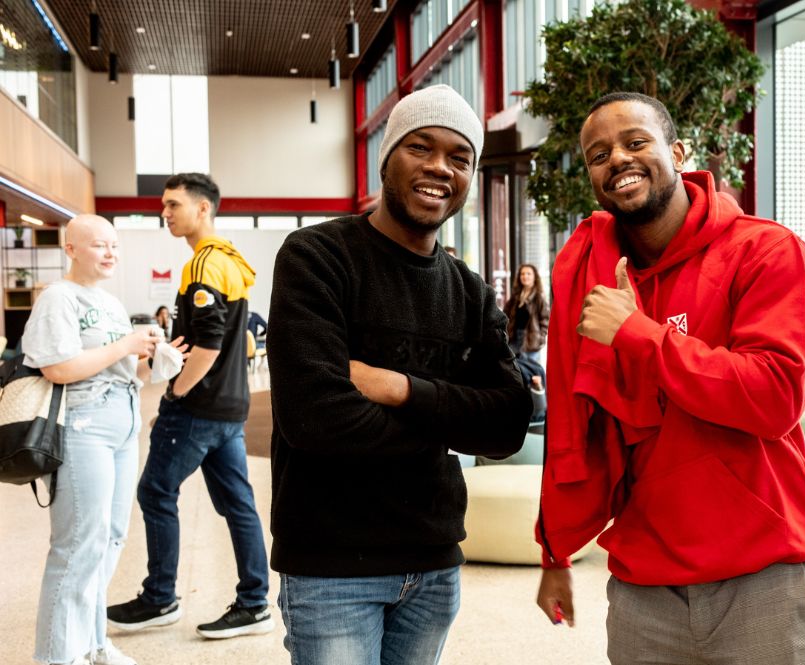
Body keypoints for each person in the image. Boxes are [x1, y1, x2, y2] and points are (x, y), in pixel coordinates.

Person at [534, 92, 805, 664]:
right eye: (598, 154)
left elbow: (773, 397)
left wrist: (639, 334)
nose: (617, 158)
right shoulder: (592, 274)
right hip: (644, 584)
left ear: (678, 151)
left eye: (635, 141)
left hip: (763, 571)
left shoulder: (766, 250)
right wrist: (556, 553)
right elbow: (576, 428)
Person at [267, 84, 532, 665]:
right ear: (387, 158)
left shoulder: (467, 289)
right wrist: (453, 421)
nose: (440, 167)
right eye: (421, 147)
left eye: (460, 157)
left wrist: (397, 388)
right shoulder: (317, 257)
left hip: (434, 562)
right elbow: (316, 419)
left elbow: (510, 422)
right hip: (331, 565)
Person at [107, 173, 274, 639]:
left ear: (203, 209)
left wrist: (176, 391)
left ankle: (160, 598)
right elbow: (227, 337)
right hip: (230, 407)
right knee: (239, 505)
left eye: (173, 204)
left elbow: (211, 345)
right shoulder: (232, 262)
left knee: (156, 492)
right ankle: (255, 602)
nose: (165, 213)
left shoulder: (202, 265)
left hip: (199, 408)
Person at [23, 214, 181, 665]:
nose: (111, 252)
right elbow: (58, 367)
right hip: (83, 425)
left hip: (123, 421)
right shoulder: (58, 297)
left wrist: (158, 360)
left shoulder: (109, 303)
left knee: (110, 538)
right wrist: (126, 346)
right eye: (99, 245)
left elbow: (129, 371)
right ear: (71, 249)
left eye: (114, 245)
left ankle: (91, 645)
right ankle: (56, 656)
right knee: (77, 544)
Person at [502, 263, 550, 365]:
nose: (525, 276)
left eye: (529, 274)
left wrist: (540, 338)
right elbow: (505, 315)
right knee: (515, 371)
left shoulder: (539, 297)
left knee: (531, 373)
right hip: (514, 340)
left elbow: (545, 320)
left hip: (531, 342)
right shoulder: (515, 297)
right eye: (522, 274)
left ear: (534, 277)